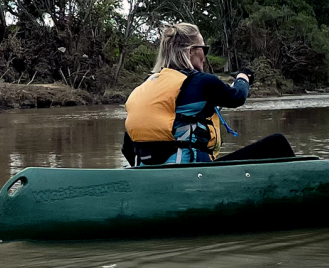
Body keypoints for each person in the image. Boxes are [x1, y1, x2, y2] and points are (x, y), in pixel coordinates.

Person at [122, 23, 294, 166]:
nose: (205, 56)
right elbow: (238, 97)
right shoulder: (203, 82)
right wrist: (244, 77)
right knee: (277, 144)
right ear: (191, 51)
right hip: (195, 175)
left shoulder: (143, 88)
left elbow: (127, 148)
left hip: (148, 176)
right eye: (204, 49)